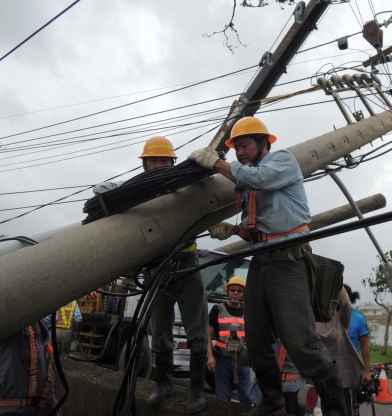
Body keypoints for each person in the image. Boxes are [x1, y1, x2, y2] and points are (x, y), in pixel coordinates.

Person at [188, 116, 347, 416]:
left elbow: (256, 179)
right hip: (262, 261)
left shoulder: (282, 162)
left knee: (300, 341)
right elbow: (260, 229)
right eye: (236, 149)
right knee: (257, 340)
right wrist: (234, 231)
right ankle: (272, 400)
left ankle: (337, 409)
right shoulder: (249, 178)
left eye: (244, 145)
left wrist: (216, 163)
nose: (240, 153)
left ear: (263, 143)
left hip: (289, 260)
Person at [95, 135, 208, 413]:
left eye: (162, 160)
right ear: (144, 165)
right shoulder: (139, 192)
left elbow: (207, 189)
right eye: (152, 160)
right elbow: (107, 191)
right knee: (159, 331)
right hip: (158, 269)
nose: (157, 165)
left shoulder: (184, 186)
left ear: (172, 162)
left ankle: (196, 391)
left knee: (196, 331)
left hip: (186, 263)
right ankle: (164, 382)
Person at [0, 321, 60, 416]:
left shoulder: (40, 326)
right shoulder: (8, 319)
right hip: (1, 412)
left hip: (34, 411)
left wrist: (51, 401)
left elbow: (43, 368)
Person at [207, 276, 260, 405]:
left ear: (243, 294)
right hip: (222, 361)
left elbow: (254, 338)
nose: (235, 293)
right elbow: (207, 335)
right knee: (222, 399)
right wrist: (209, 357)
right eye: (232, 290)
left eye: (239, 291)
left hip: (243, 363)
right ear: (228, 291)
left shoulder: (248, 313)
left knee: (247, 399)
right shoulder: (218, 309)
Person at [315, 286, 364, 416]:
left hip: (340, 381)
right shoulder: (315, 318)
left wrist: (334, 278)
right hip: (320, 379)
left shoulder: (342, 319)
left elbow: (346, 303)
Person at [344, 286, 372, 416]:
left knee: (352, 406)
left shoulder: (358, 319)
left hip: (353, 371)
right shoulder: (329, 317)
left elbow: (365, 345)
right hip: (332, 370)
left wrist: (366, 371)